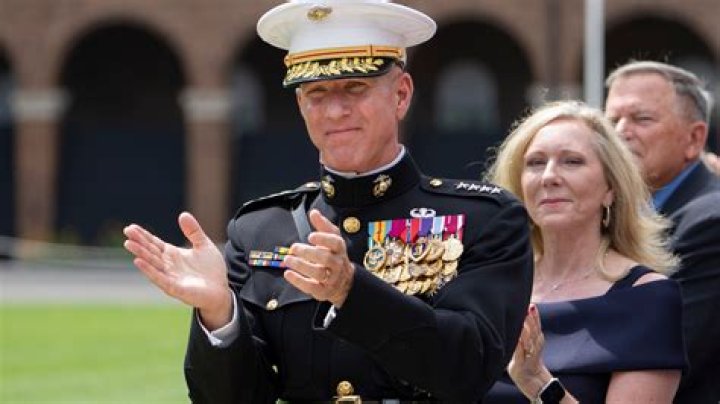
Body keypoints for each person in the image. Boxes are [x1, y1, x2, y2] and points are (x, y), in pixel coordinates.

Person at [123, 1, 533, 402]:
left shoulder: (485, 220)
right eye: (317, 93)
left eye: (355, 87)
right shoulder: (259, 230)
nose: (335, 111)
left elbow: (468, 370)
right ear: (301, 105)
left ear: (401, 95)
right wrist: (219, 314)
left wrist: (353, 292)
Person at [482, 101, 686, 403]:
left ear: (610, 189)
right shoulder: (493, 288)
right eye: (535, 163)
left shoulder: (647, 297)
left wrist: (539, 384)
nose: (549, 176)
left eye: (572, 161)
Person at [605, 60, 720, 403]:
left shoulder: (709, 224)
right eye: (611, 121)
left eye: (642, 119)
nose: (620, 132)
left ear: (694, 138)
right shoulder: (614, 212)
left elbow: (669, 351)